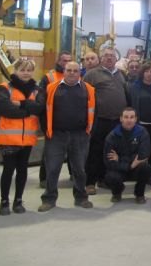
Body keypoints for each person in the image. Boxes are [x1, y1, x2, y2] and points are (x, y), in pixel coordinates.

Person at [38, 62, 95, 212]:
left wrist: (88, 131)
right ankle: (49, 199)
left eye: (75, 71)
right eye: (69, 70)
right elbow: (43, 111)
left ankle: (81, 197)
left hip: (80, 135)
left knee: (80, 170)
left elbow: (94, 110)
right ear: (64, 71)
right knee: (52, 169)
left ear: (80, 73)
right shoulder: (51, 88)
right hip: (56, 135)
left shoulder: (88, 89)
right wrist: (47, 130)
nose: (72, 73)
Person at [0, 59, 44, 215]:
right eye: (22, 69)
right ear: (15, 70)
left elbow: (40, 107)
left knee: (22, 170)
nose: (26, 73)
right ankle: (4, 202)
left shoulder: (37, 90)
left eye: (29, 70)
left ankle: (18, 201)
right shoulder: (5, 88)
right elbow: (4, 109)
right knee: (8, 170)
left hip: (27, 139)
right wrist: (28, 111)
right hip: (9, 139)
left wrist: (20, 104)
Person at [83, 46, 128, 195]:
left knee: (110, 151)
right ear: (101, 58)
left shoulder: (121, 75)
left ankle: (103, 179)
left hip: (117, 121)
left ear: (116, 59)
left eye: (112, 56)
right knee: (95, 151)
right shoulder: (92, 75)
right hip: (99, 120)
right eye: (106, 56)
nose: (109, 58)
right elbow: (84, 96)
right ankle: (90, 182)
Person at [103, 108, 151, 204]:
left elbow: (144, 154)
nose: (129, 120)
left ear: (135, 119)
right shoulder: (112, 136)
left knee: (146, 168)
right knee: (110, 177)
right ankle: (117, 192)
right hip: (120, 170)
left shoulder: (142, 132)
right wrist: (129, 165)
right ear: (121, 119)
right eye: (126, 117)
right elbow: (109, 162)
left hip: (135, 167)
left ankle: (139, 194)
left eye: (131, 117)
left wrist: (120, 159)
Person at [38, 50, 73, 188]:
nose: (67, 63)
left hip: (70, 122)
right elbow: (41, 102)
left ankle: (73, 175)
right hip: (53, 123)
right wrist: (45, 124)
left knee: (73, 151)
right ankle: (44, 179)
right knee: (50, 153)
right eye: (64, 60)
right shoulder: (49, 77)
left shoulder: (75, 76)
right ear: (58, 62)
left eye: (69, 60)